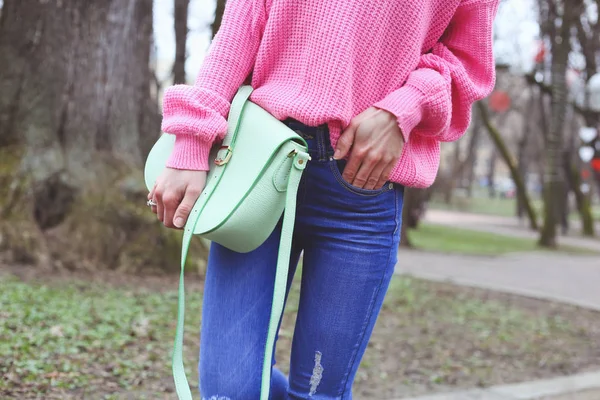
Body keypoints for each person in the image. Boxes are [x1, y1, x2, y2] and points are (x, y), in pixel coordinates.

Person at [148, 0, 499, 398]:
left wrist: (406, 106)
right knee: (229, 391)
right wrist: (192, 141)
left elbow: (468, 60)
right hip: (259, 171)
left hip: (361, 190)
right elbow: (238, 31)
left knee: (317, 393)